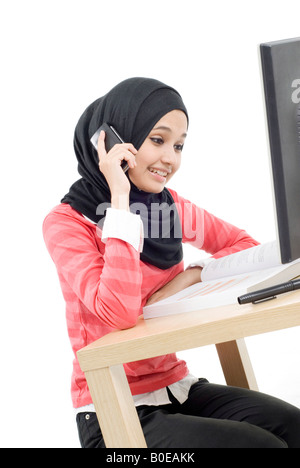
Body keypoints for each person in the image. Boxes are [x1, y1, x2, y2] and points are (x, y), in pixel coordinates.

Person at [43, 77, 300, 448]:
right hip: (113, 411)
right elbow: (118, 312)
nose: (170, 159)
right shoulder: (66, 223)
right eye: (158, 140)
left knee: (292, 426)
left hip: (177, 387)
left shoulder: (169, 208)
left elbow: (244, 246)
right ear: (115, 144)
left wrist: (193, 275)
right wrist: (119, 196)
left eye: (179, 145)